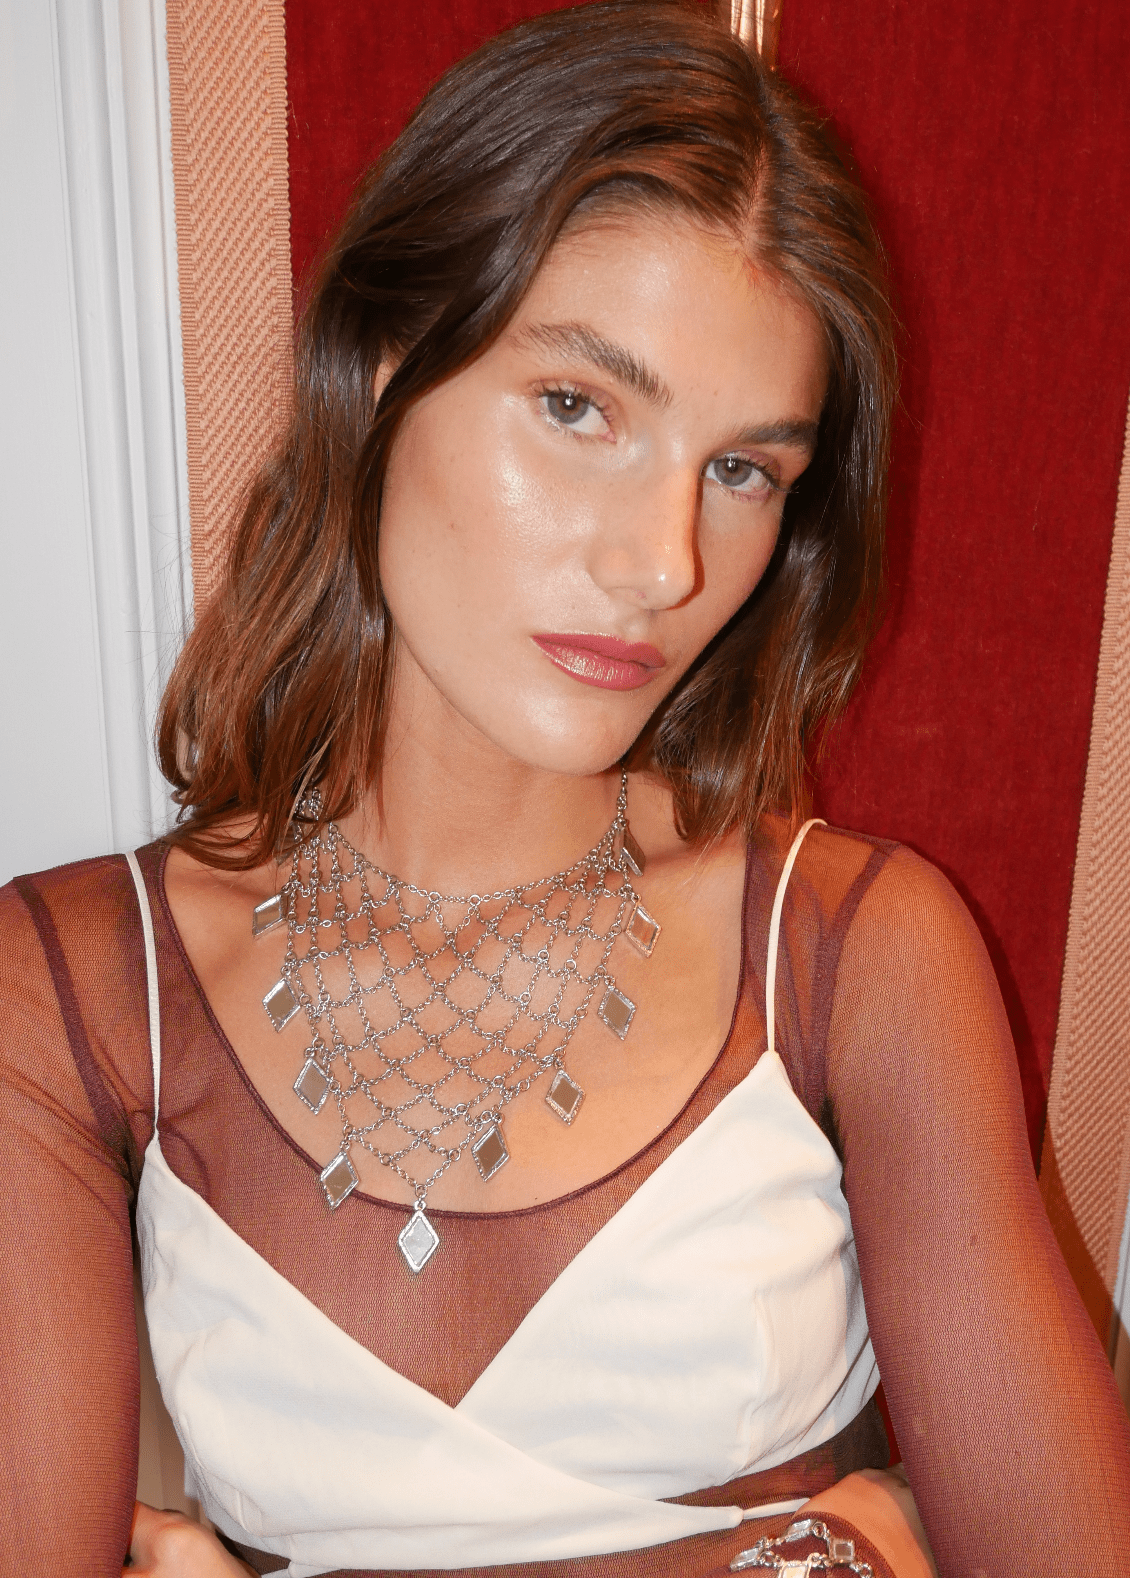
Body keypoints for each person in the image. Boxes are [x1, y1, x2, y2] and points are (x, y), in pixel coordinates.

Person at [3, 3, 1128, 1574]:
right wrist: (829, 1546)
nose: (662, 561)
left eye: (741, 469)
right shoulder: (69, 989)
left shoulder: (856, 946)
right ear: (381, 371)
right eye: (577, 407)